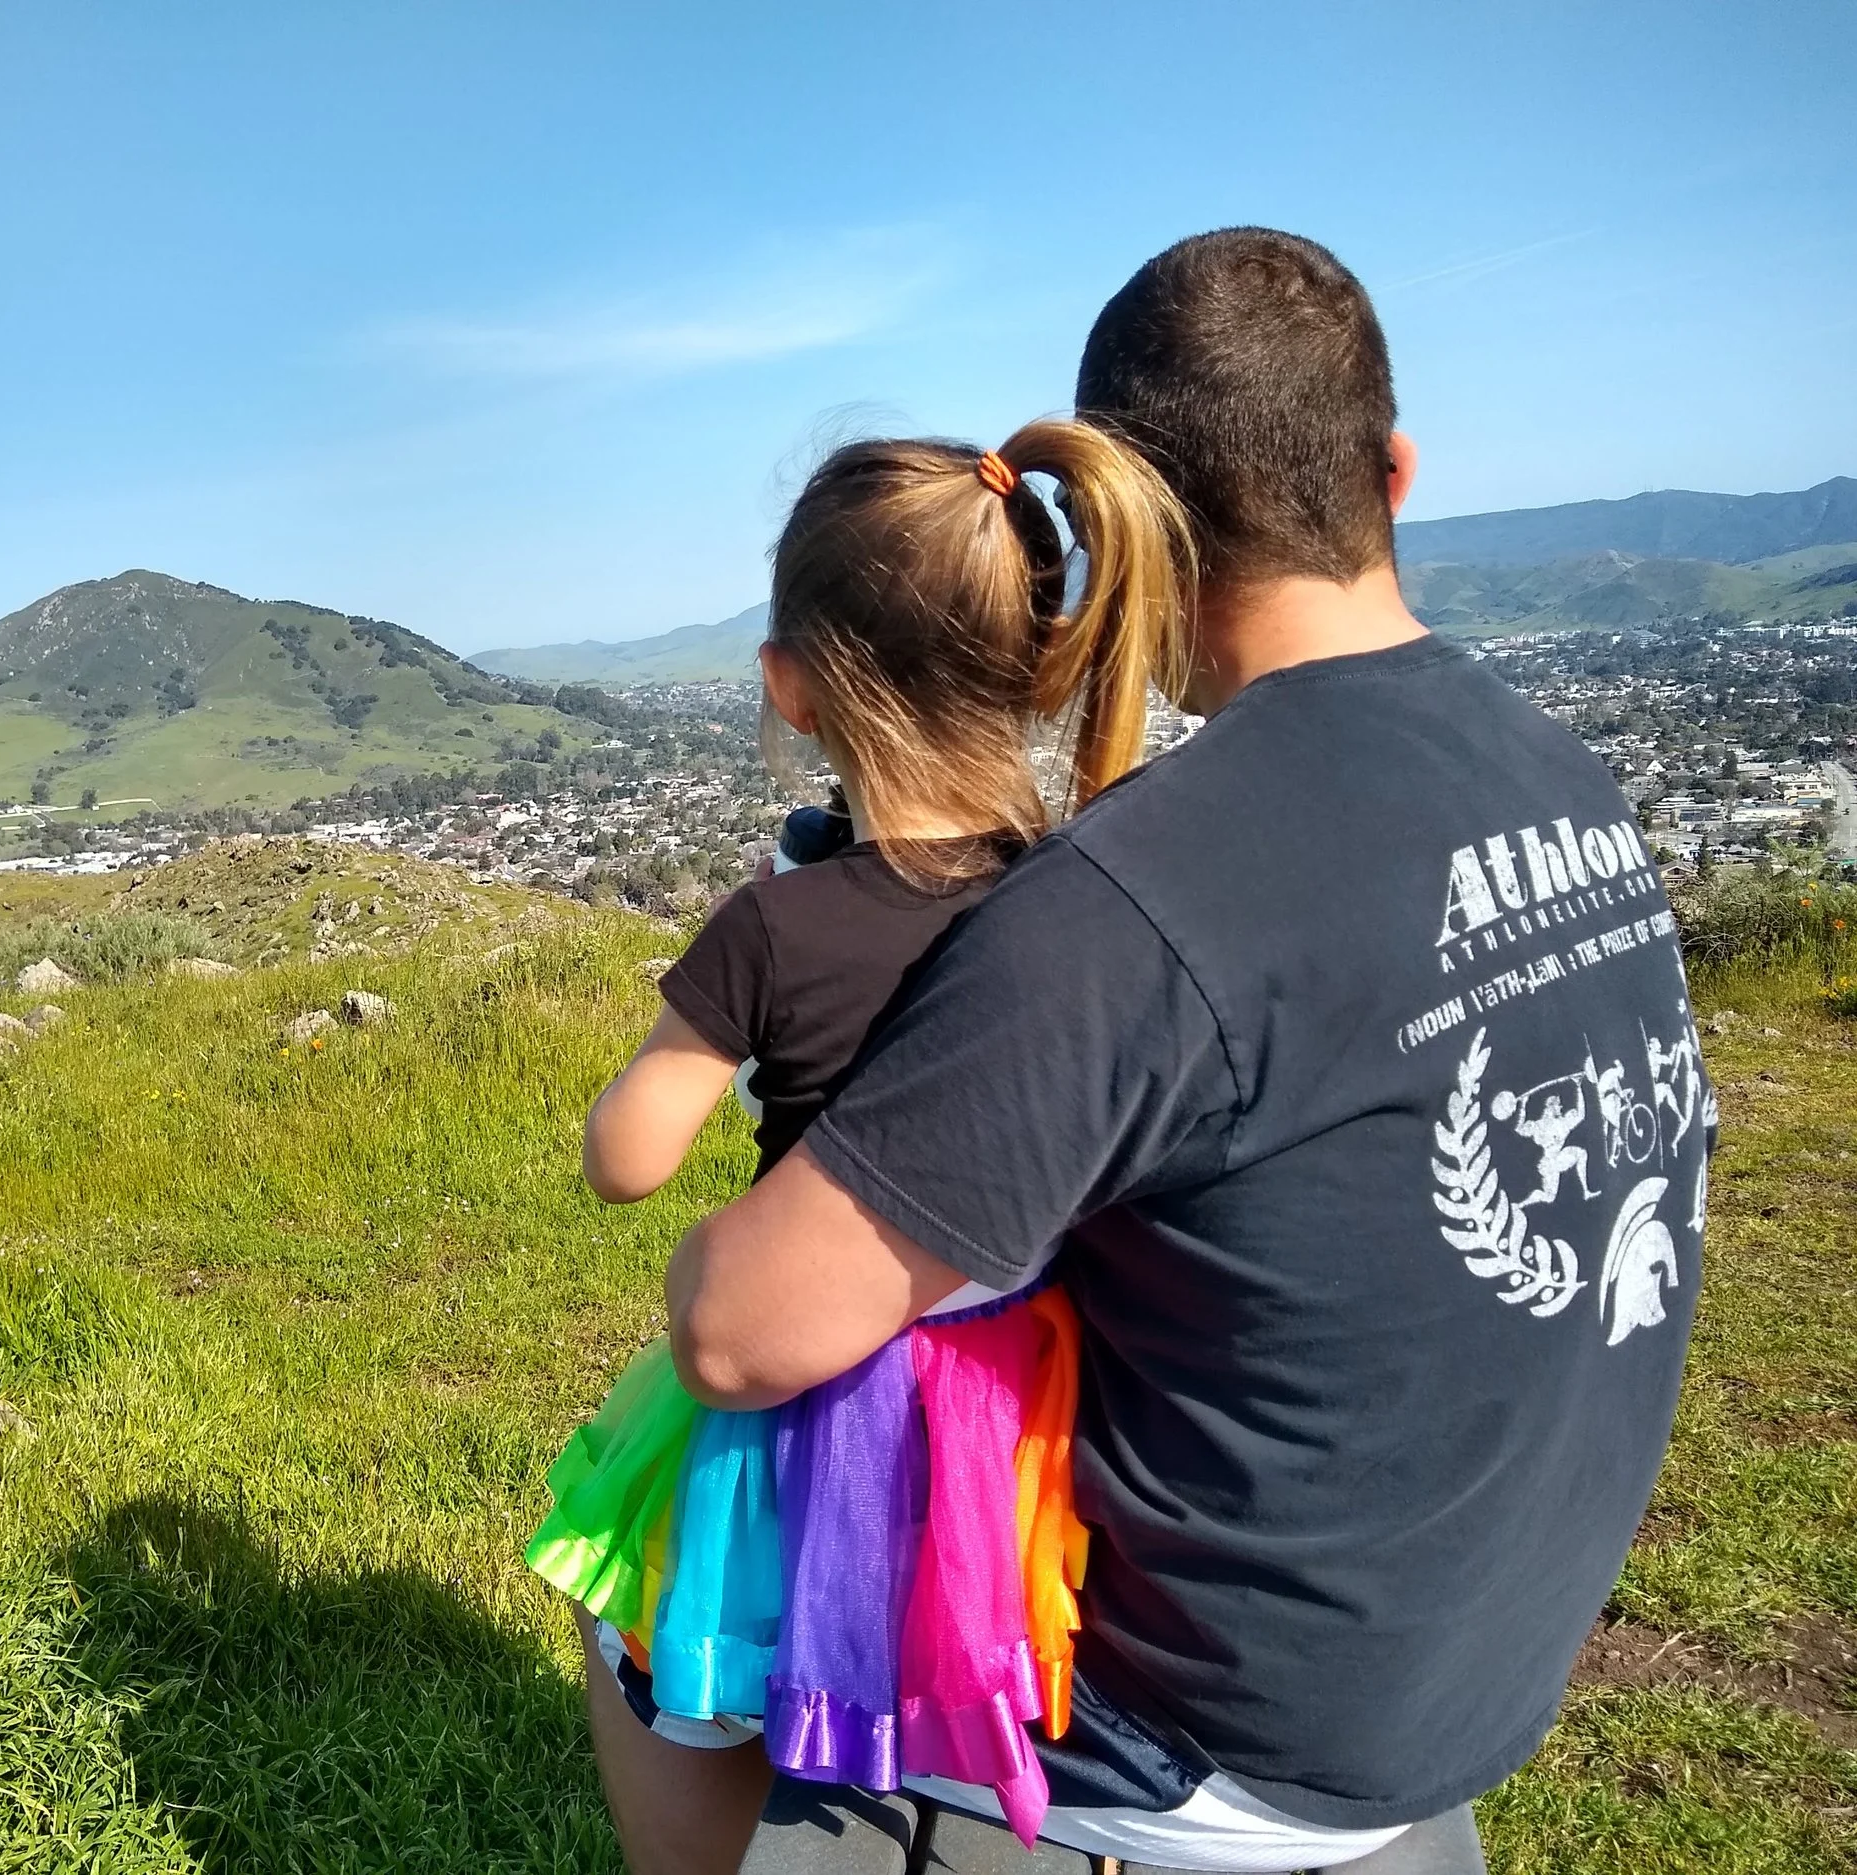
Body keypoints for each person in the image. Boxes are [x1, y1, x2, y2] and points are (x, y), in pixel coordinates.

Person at [647, 229, 1707, 1873]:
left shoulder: (1145, 894)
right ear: (1395, 475)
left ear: (1115, 524)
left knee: (645, 1604)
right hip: (1487, 1653)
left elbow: (741, 1333)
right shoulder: (1561, 774)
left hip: (1234, 1733)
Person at [531, 415, 1197, 1875]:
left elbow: (627, 1157)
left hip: (798, 1399)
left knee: (671, 1631)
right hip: (1008, 1406)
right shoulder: (1079, 903)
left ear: (793, 687)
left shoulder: (777, 922)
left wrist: (727, 989)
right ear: (1033, 657)